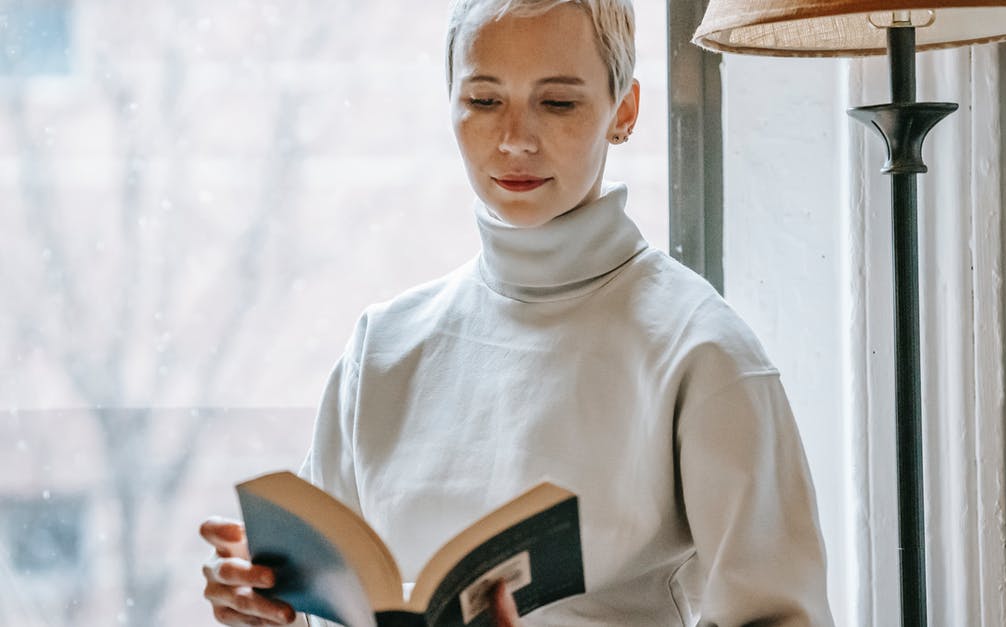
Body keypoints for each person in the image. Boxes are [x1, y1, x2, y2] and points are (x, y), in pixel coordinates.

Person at [200, 1, 833, 625]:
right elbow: (332, 607)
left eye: (557, 103)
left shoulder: (700, 349)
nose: (514, 140)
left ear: (624, 111)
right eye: (484, 100)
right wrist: (272, 610)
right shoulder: (383, 346)